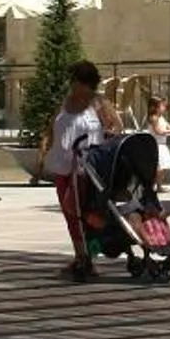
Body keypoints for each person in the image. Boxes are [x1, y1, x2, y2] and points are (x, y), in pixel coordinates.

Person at [46, 61, 117, 280]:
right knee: (70, 215)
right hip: (62, 163)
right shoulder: (65, 102)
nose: (73, 85)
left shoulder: (98, 103)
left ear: (84, 82)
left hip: (86, 167)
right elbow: (52, 127)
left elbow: (115, 127)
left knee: (83, 212)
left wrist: (103, 140)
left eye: (76, 81)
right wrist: (44, 151)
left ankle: (88, 257)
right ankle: (81, 257)